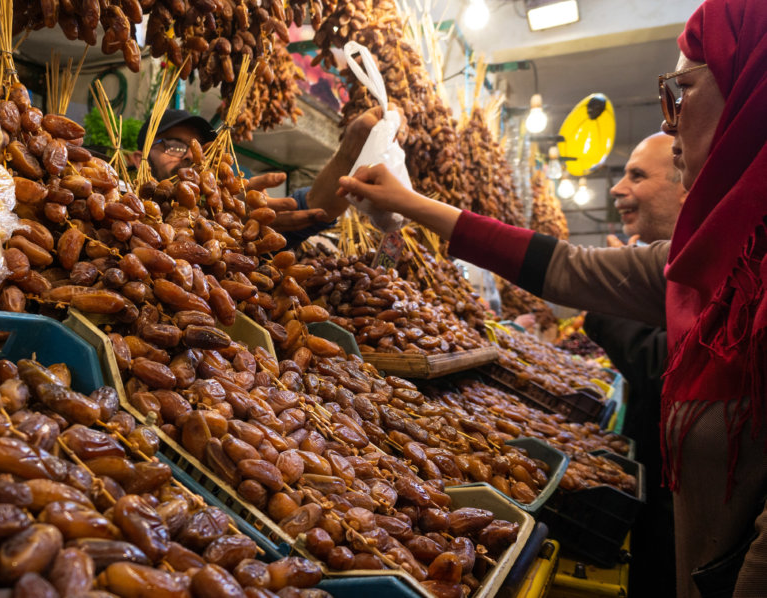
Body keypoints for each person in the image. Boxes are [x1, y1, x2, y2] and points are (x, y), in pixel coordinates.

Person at [338, 1, 767, 594]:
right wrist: (409, 203)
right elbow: (563, 266)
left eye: (680, 91)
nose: (668, 122)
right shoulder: (709, 262)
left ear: (751, 99)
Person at [583, 131, 688, 596]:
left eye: (637, 175)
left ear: (685, 183)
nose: (617, 189)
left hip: (682, 521)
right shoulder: (668, 265)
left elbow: (667, 367)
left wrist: (604, 302)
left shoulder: (711, 270)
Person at [130, 107, 382, 243]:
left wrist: (353, 149)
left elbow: (314, 207)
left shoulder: (231, 219)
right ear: (136, 159)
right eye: (174, 145)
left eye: (201, 149)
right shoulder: (121, 205)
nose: (189, 156)